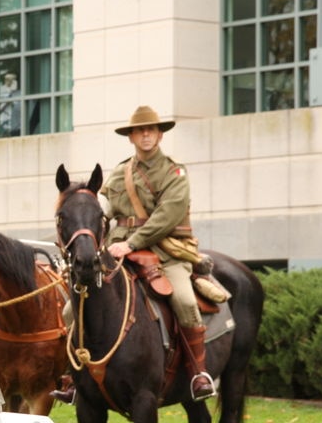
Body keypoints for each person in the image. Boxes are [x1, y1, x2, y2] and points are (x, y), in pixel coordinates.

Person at [51, 105, 215, 404]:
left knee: (184, 299)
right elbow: (106, 207)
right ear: (131, 138)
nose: (146, 135)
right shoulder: (121, 172)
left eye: (150, 130)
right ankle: (74, 375)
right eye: (140, 131)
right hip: (118, 249)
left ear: (160, 134)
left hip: (166, 250)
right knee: (70, 309)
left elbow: (167, 216)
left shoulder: (174, 172)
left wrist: (132, 242)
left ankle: (198, 374)